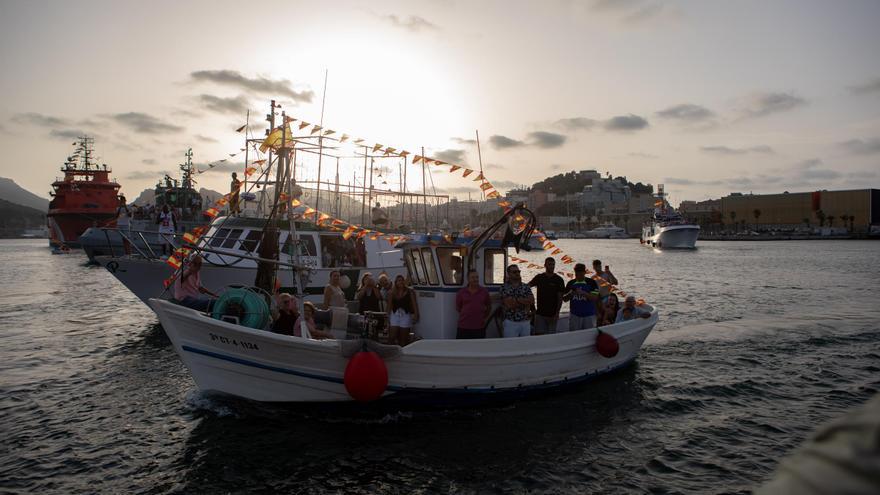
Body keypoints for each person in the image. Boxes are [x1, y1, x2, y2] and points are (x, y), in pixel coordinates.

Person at [528, 257, 566, 334]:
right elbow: (527, 287)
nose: (552, 266)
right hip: (540, 314)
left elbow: (560, 298)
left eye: (553, 264)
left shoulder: (559, 279)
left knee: (551, 337)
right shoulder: (539, 277)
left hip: (552, 315)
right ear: (545, 265)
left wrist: (557, 313)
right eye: (549, 264)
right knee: (539, 336)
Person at [563, 263, 602, 331]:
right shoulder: (570, 283)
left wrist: (583, 293)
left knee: (589, 335)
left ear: (584, 272)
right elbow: (564, 299)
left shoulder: (591, 282)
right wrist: (570, 294)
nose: (578, 275)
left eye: (580, 273)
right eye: (576, 272)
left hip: (589, 316)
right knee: (574, 335)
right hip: (575, 315)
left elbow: (595, 297)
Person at [455, 270, 492, 339]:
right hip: (463, 327)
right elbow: (458, 307)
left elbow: (489, 306)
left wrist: (482, 317)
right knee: (461, 345)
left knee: (479, 346)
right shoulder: (461, 292)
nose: (475, 279)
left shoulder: (484, 292)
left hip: (479, 327)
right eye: (473, 277)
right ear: (468, 279)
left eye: (477, 277)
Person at [500, 264, 534, 338]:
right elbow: (509, 304)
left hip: (525, 322)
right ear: (509, 274)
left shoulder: (525, 286)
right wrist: (524, 302)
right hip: (511, 322)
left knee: (526, 344)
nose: (517, 273)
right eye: (514, 272)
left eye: (518, 271)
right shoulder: (504, 287)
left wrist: (516, 300)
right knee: (510, 344)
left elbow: (531, 301)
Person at [387, 274, 419, 346]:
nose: (400, 282)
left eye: (402, 280)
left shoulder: (410, 291)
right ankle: (390, 350)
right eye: (398, 281)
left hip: (405, 315)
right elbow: (389, 305)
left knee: (403, 338)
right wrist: (387, 316)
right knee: (392, 337)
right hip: (395, 314)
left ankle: (403, 351)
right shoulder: (391, 292)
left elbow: (414, 304)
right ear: (395, 282)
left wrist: (416, 314)